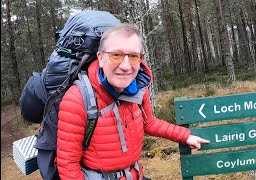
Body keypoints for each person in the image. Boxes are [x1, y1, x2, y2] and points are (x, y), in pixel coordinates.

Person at [56, 23, 210, 180]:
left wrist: (185, 136)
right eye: (116, 55)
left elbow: (149, 123)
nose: (125, 66)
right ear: (101, 59)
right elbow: (67, 165)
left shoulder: (137, 90)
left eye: (134, 56)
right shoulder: (76, 100)